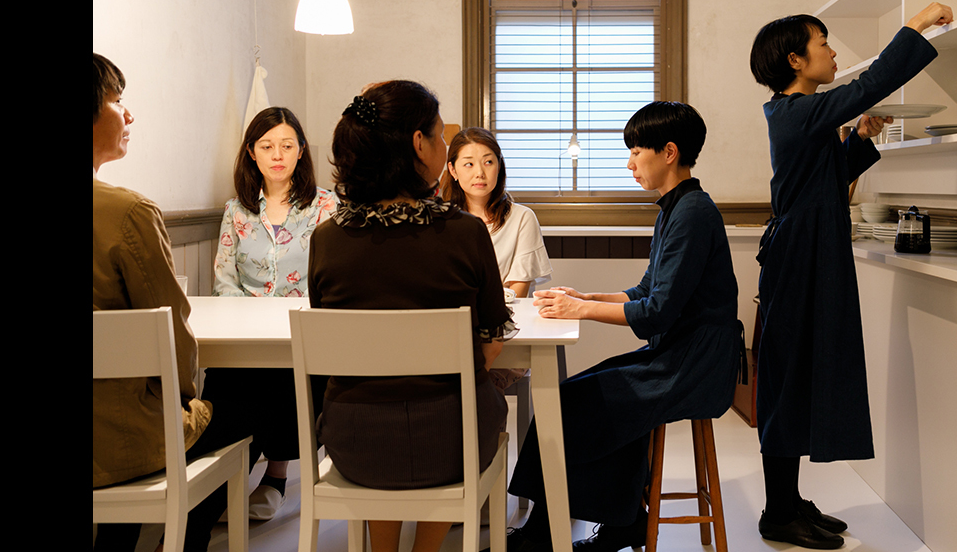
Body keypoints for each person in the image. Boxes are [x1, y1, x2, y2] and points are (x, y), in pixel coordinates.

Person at [747, 2, 953, 550]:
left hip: (811, 254)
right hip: (800, 260)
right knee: (790, 380)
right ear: (795, 59)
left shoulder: (803, 115)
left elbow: (827, 174)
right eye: (823, 42)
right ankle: (777, 512)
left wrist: (858, 138)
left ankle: (787, 502)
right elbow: (872, 82)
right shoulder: (794, 111)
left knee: (805, 374)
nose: (833, 51)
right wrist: (912, 28)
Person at [498, 101, 744, 552]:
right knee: (576, 392)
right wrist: (584, 298)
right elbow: (646, 290)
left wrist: (582, 312)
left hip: (695, 364)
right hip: (679, 353)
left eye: (636, 151)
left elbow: (655, 312)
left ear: (669, 152)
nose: (629, 162)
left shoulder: (691, 212)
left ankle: (551, 532)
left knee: (572, 404)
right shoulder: (676, 207)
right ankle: (620, 520)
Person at [306, 80, 513, 552]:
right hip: (451, 441)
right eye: (440, 136)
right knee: (459, 415)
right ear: (418, 143)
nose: (444, 145)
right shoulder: (465, 233)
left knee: (385, 427)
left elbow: (333, 346)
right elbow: (490, 343)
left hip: (356, 443)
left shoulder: (326, 238)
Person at [93, 53, 253, 552]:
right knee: (256, 403)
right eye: (118, 102)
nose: (129, 115)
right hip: (121, 442)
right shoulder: (127, 213)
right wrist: (187, 398)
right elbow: (174, 334)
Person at [207, 106, 338, 520]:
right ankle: (214, 494)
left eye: (287, 145)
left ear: (301, 152)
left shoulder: (326, 207)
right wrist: (247, 325)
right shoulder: (237, 210)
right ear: (252, 153)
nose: (277, 154)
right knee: (229, 387)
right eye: (267, 146)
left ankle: (275, 476)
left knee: (285, 379)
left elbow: (332, 277)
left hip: (306, 334)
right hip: (246, 333)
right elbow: (224, 280)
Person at [444, 126, 552, 392]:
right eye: (468, 164)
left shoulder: (522, 218)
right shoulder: (442, 221)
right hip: (452, 333)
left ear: (499, 167)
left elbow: (517, 291)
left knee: (477, 388)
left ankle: (485, 431)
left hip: (505, 334)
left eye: (488, 162)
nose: (479, 173)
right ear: (453, 170)